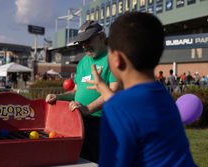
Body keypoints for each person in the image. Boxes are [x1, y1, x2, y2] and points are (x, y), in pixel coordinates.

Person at [86, 12, 196, 166]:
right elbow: (133, 111)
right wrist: (103, 88)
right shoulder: (162, 95)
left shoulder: (117, 108)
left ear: (117, 59)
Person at [45, 20, 119, 163]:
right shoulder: (84, 62)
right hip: (80, 121)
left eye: (88, 40)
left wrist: (87, 109)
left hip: (103, 124)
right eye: (81, 42)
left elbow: (113, 93)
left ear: (102, 36)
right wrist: (58, 97)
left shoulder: (113, 58)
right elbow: (75, 92)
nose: (84, 45)